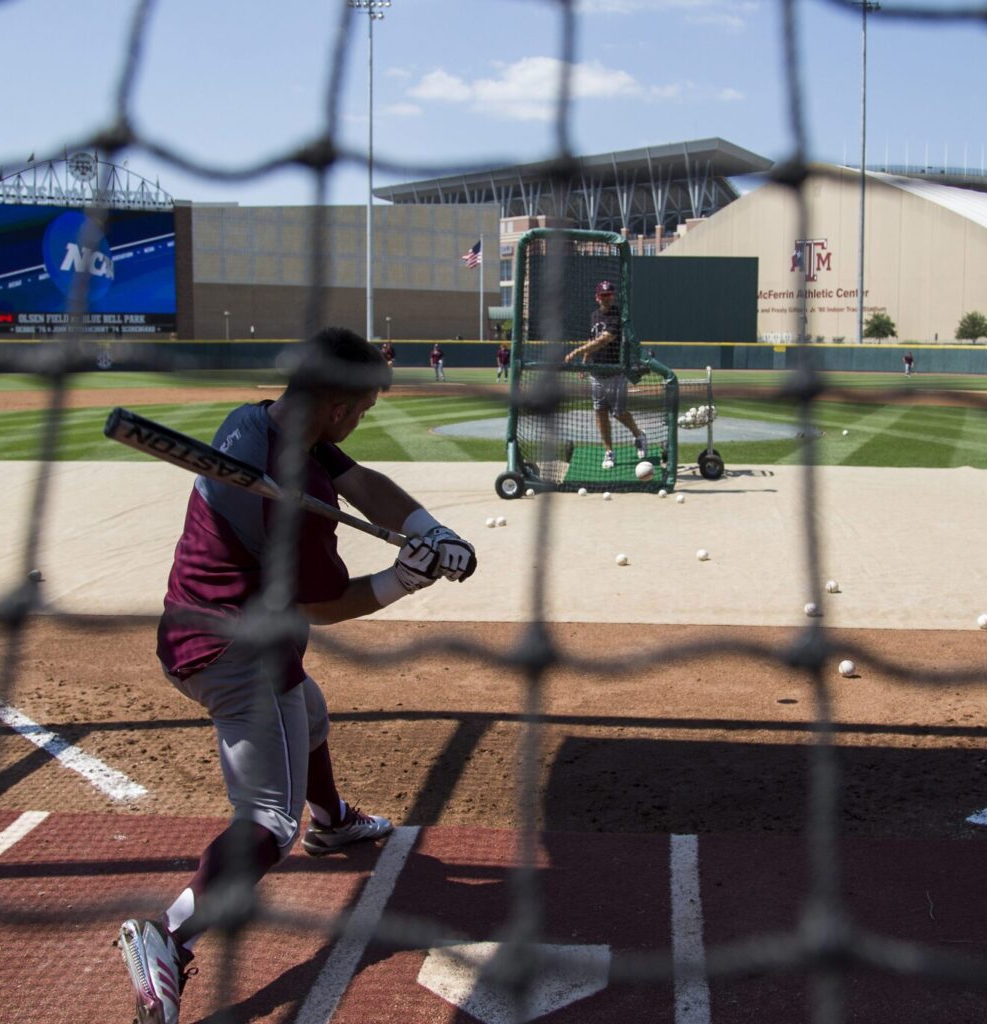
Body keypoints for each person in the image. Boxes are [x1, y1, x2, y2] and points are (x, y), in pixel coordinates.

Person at [115, 327, 477, 1024]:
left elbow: (363, 481)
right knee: (268, 823)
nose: (362, 419)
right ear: (339, 406)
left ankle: (334, 822)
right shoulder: (293, 499)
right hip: (235, 654)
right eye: (364, 409)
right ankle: (169, 935)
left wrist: (430, 528)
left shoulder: (263, 422)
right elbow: (325, 603)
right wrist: (406, 579)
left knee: (307, 713)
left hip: (204, 623)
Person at [563, 279, 648, 470]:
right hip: (596, 373)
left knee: (618, 412)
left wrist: (576, 352)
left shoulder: (618, 315)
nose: (607, 298)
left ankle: (639, 435)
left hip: (615, 372)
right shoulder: (594, 315)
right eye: (603, 295)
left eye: (609, 294)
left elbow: (604, 340)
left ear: (613, 296)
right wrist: (585, 362)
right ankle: (609, 451)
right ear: (597, 297)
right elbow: (592, 339)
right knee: (600, 412)